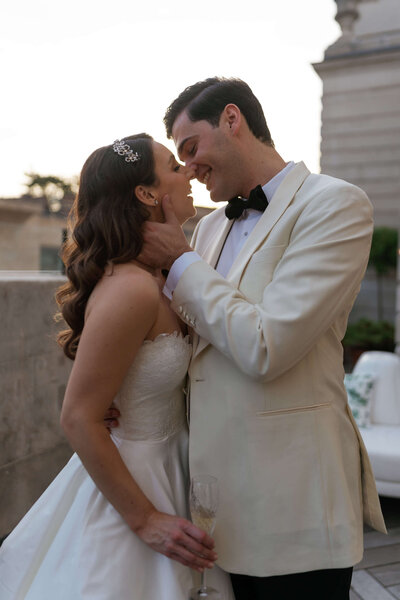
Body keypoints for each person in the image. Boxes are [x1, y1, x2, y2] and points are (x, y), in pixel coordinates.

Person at [132, 77, 387, 600]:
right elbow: (194, 344)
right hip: (211, 513)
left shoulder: (335, 204)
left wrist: (179, 262)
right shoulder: (205, 231)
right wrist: (128, 395)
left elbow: (267, 346)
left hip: (294, 513)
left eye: (191, 148)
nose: (189, 168)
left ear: (232, 119)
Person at [0, 134, 235, 600]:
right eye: (173, 165)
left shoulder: (163, 276)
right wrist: (145, 520)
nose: (187, 171)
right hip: (136, 482)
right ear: (146, 194)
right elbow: (77, 415)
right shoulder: (131, 288)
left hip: (176, 466)